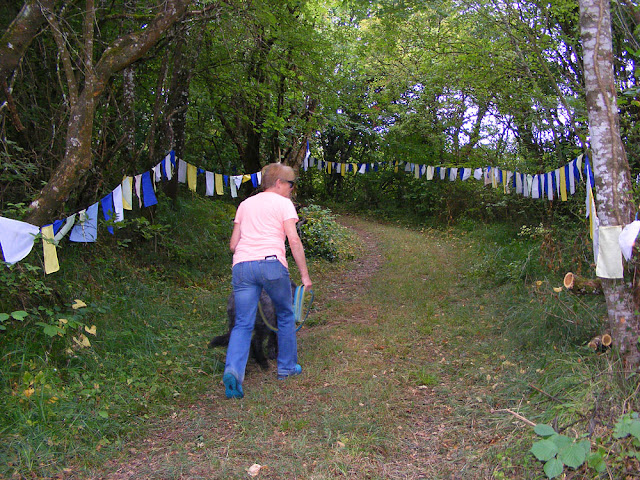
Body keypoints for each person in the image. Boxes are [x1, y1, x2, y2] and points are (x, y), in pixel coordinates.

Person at [223, 163, 312, 399]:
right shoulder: (283, 203)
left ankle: (233, 371)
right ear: (279, 183)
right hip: (271, 263)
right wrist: (304, 275)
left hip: (242, 265)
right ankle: (287, 368)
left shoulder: (245, 204)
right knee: (285, 314)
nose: (292, 190)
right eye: (290, 185)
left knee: (242, 323)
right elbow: (293, 240)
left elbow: (233, 244)